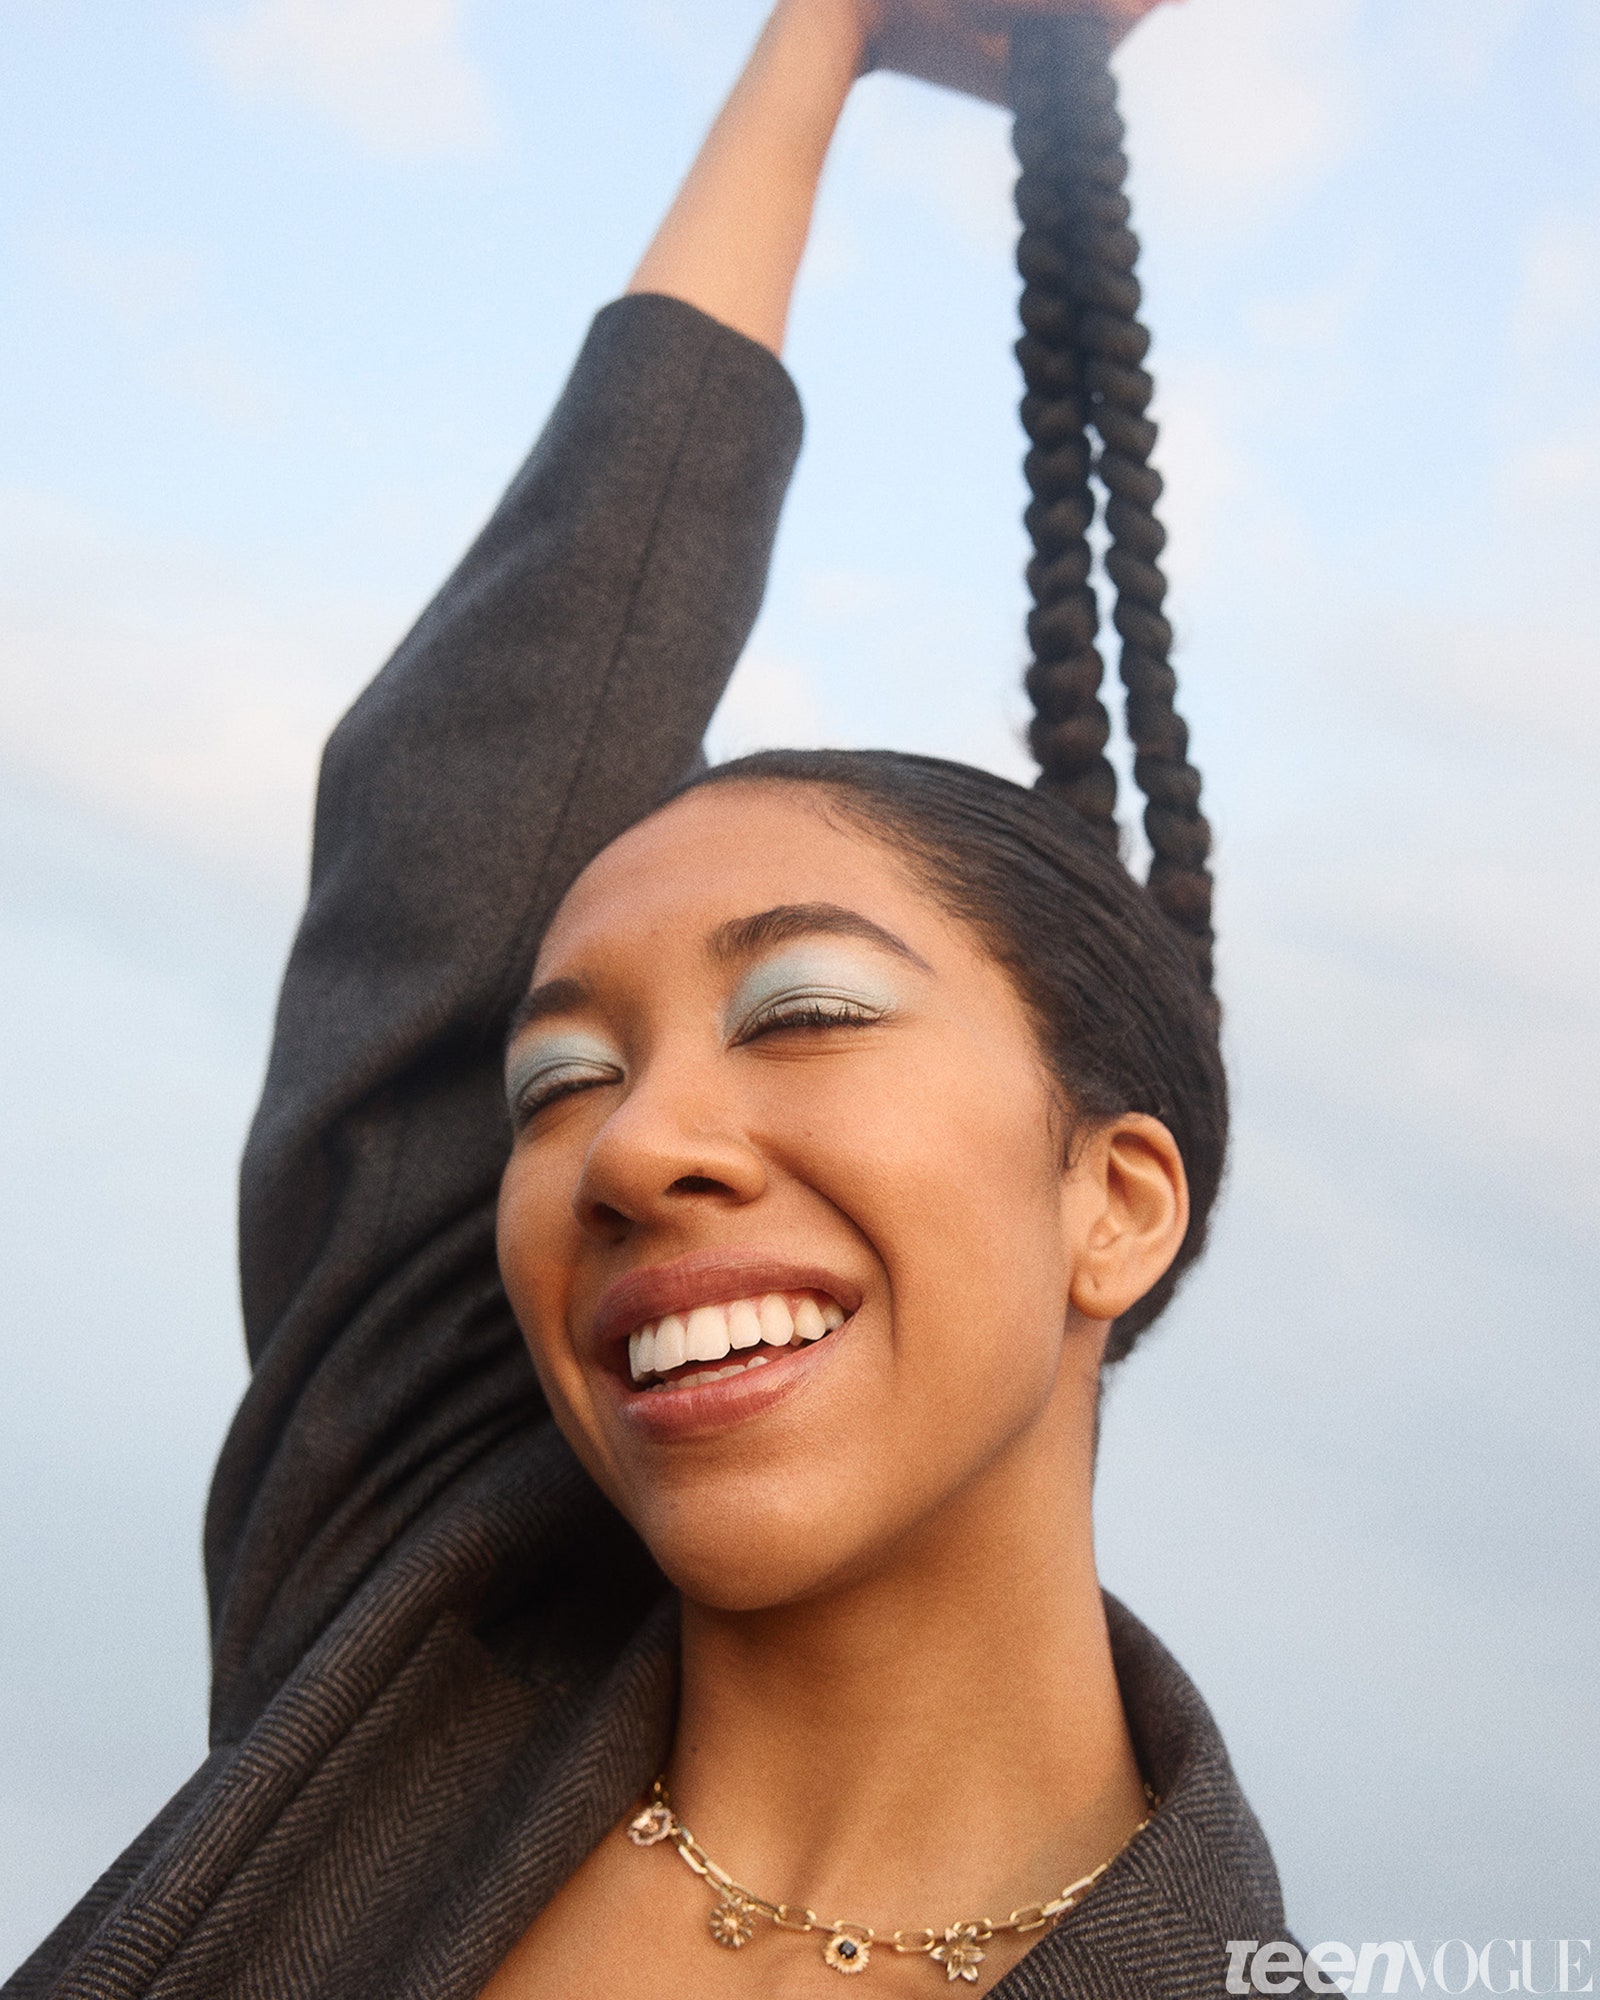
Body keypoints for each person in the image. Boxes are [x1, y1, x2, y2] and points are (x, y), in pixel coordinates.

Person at [7, 2, 1304, 1995]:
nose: (633, 1139)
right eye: (555, 1080)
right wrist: (823, 38)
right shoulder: (410, 1624)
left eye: (798, 1008)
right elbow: (468, 785)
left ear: (1114, 1198)